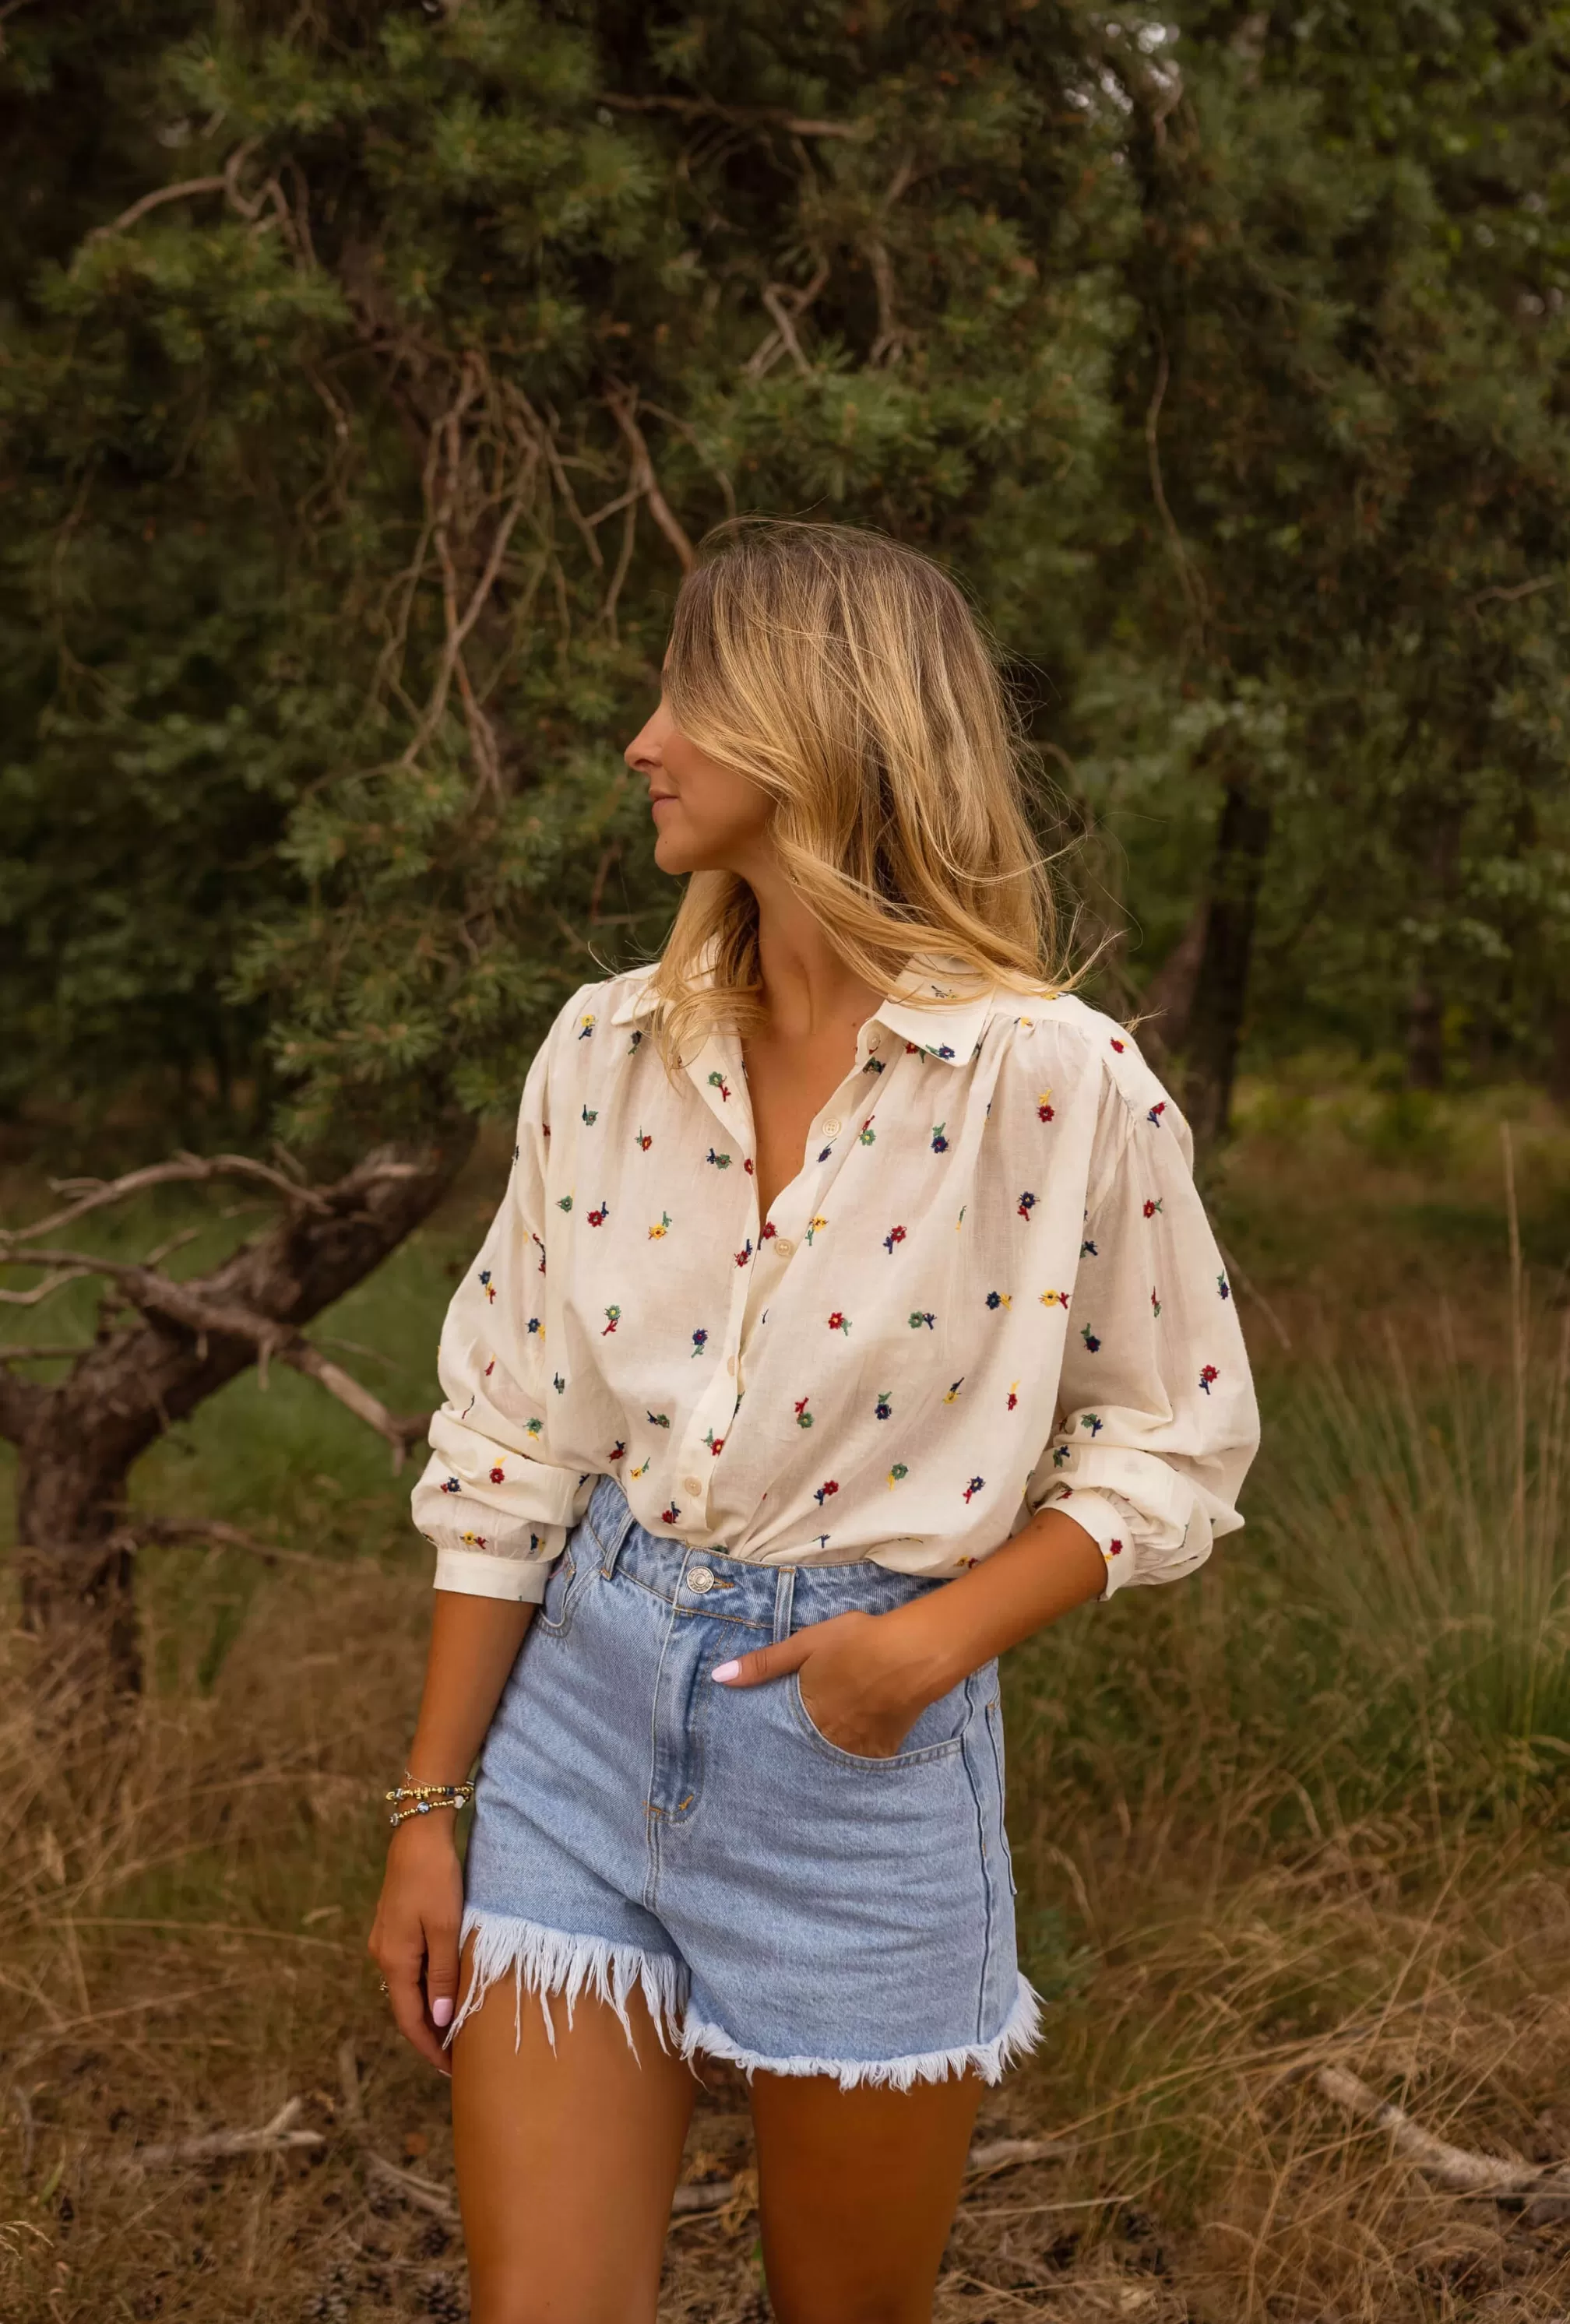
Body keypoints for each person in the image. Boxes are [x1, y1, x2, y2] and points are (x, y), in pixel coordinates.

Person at [369, 519, 1260, 2324]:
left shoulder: (1052, 1080)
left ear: (822, 726)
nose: (643, 741)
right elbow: (515, 1444)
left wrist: (923, 1647)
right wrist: (430, 1807)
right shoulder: (605, 1049)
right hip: (574, 1724)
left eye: (687, 697)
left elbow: (1178, 1435)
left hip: (861, 1767)